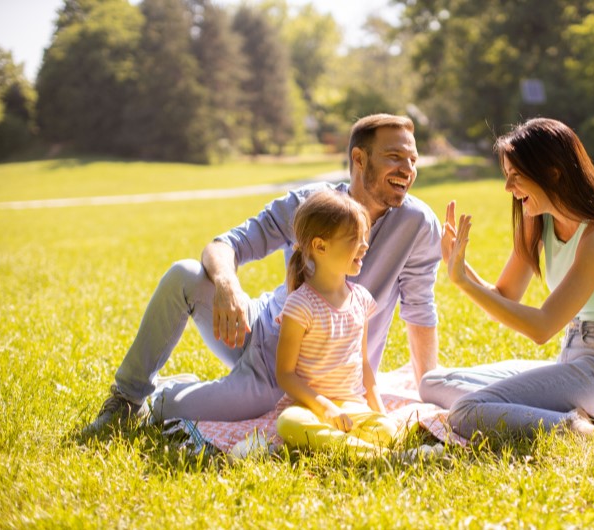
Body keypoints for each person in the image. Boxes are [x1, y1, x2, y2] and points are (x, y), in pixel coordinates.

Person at [85, 113, 441, 431]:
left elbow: (420, 308)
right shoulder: (310, 203)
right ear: (359, 159)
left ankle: (175, 390)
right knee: (185, 274)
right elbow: (225, 245)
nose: (408, 169)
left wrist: (427, 389)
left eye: (413, 159)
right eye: (394, 157)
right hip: (257, 329)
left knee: (178, 407)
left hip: (314, 373)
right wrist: (227, 285)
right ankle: (127, 399)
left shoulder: (418, 224)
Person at [420, 118, 594, 459]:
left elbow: (542, 327)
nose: (508, 187)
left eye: (516, 175)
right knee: (431, 383)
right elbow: (504, 296)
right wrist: (460, 270)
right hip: (572, 357)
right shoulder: (537, 220)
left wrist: (462, 282)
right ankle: (563, 416)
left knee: (467, 411)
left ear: (552, 173)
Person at [274, 191, 398, 456]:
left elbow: (364, 364)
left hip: (351, 407)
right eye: (355, 238)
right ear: (320, 246)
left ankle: (352, 447)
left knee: (386, 430)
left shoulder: (361, 299)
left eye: (365, 237)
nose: (364, 245)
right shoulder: (300, 305)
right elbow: (285, 374)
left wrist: (381, 412)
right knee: (288, 423)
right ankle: (374, 454)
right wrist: (325, 408)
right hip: (309, 409)